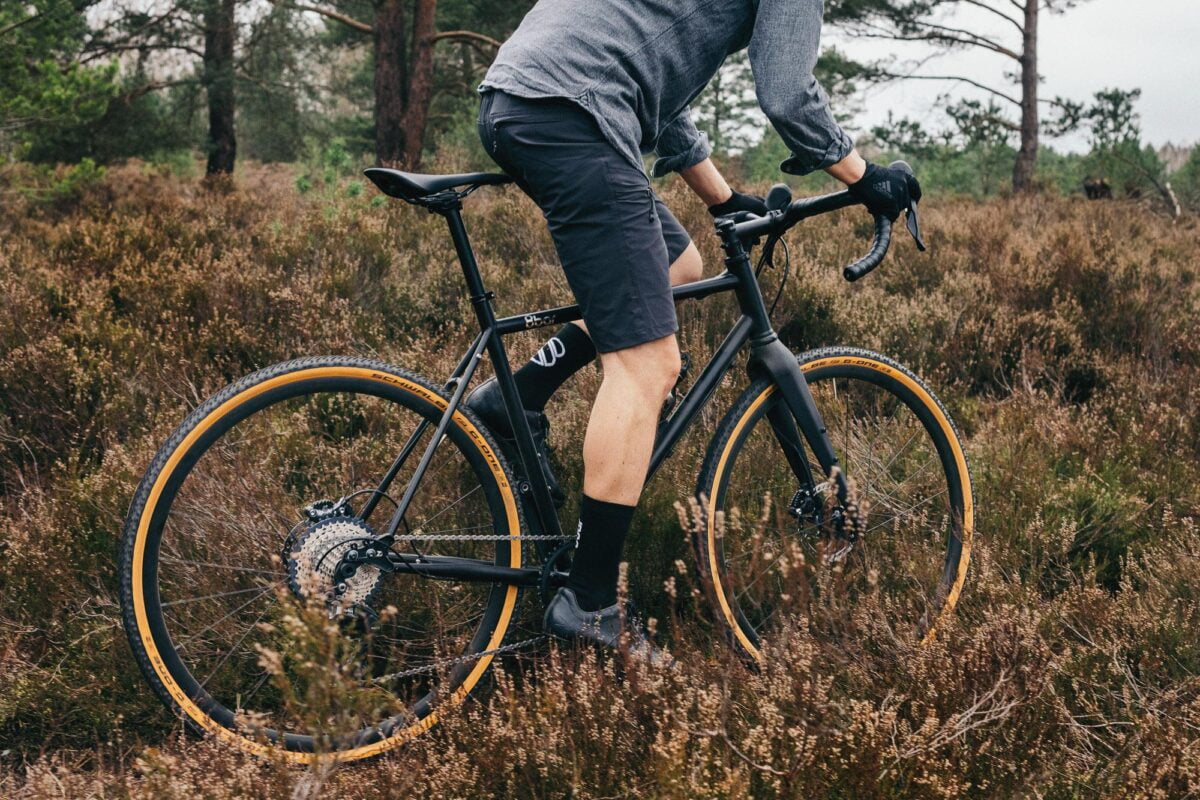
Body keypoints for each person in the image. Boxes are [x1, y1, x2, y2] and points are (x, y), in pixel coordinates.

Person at [468, 0, 921, 659]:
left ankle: (516, 397)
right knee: (649, 365)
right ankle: (589, 602)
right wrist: (866, 177)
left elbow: (659, 83)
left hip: (527, 97)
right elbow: (787, 93)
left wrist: (722, 198)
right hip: (574, 112)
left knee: (680, 265)